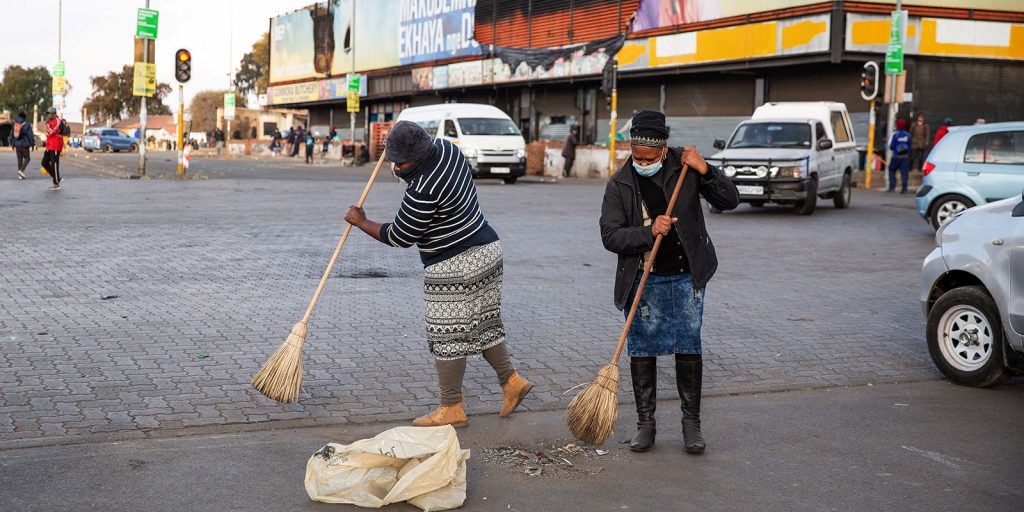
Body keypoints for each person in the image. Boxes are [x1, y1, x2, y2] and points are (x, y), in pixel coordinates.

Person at [344, 121, 533, 428]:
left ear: (417, 160)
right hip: (487, 250)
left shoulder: (422, 189)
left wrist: (360, 221)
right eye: (393, 161)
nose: (396, 168)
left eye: (401, 164)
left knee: (448, 336)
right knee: (484, 323)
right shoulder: (446, 148)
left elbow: (400, 236)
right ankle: (511, 381)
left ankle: (451, 407)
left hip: (454, 265)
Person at [599, 110, 739, 454]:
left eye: (648, 157)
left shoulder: (686, 167)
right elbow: (610, 236)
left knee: (688, 346)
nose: (641, 162)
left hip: (687, 275)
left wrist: (707, 170)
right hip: (644, 279)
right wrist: (650, 232)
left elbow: (730, 200)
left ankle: (691, 424)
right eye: (636, 156)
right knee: (642, 350)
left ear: (663, 150)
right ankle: (646, 425)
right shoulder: (620, 183)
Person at [41, 107, 64, 190]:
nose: (48, 115)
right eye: (48, 114)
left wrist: (47, 126)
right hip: (49, 145)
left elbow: (52, 131)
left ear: (54, 113)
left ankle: (56, 182)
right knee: (44, 162)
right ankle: (56, 177)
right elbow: (50, 133)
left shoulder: (57, 121)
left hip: (55, 145)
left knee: (54, 164)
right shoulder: (49, 121)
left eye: (50, 113)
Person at [888, 118, 911, 194]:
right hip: (905, 157)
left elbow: (891, 146)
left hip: (896, 157)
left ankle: (892, 187)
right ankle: (904, 189)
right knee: (904, 173)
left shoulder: (895, 134)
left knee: (891, 170)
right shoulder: (907, 135)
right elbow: (910, 146)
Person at [9, 112, 34, 180]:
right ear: (24, 117)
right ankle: (21, 170)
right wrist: (32, 144)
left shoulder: (15, 124)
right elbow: (30, 135)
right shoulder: (27, 124)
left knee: (19, 160)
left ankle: (20, 175)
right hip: (25, 144)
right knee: (27, 158)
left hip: (17, 144)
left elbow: (12, 135)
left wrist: (12, 144)